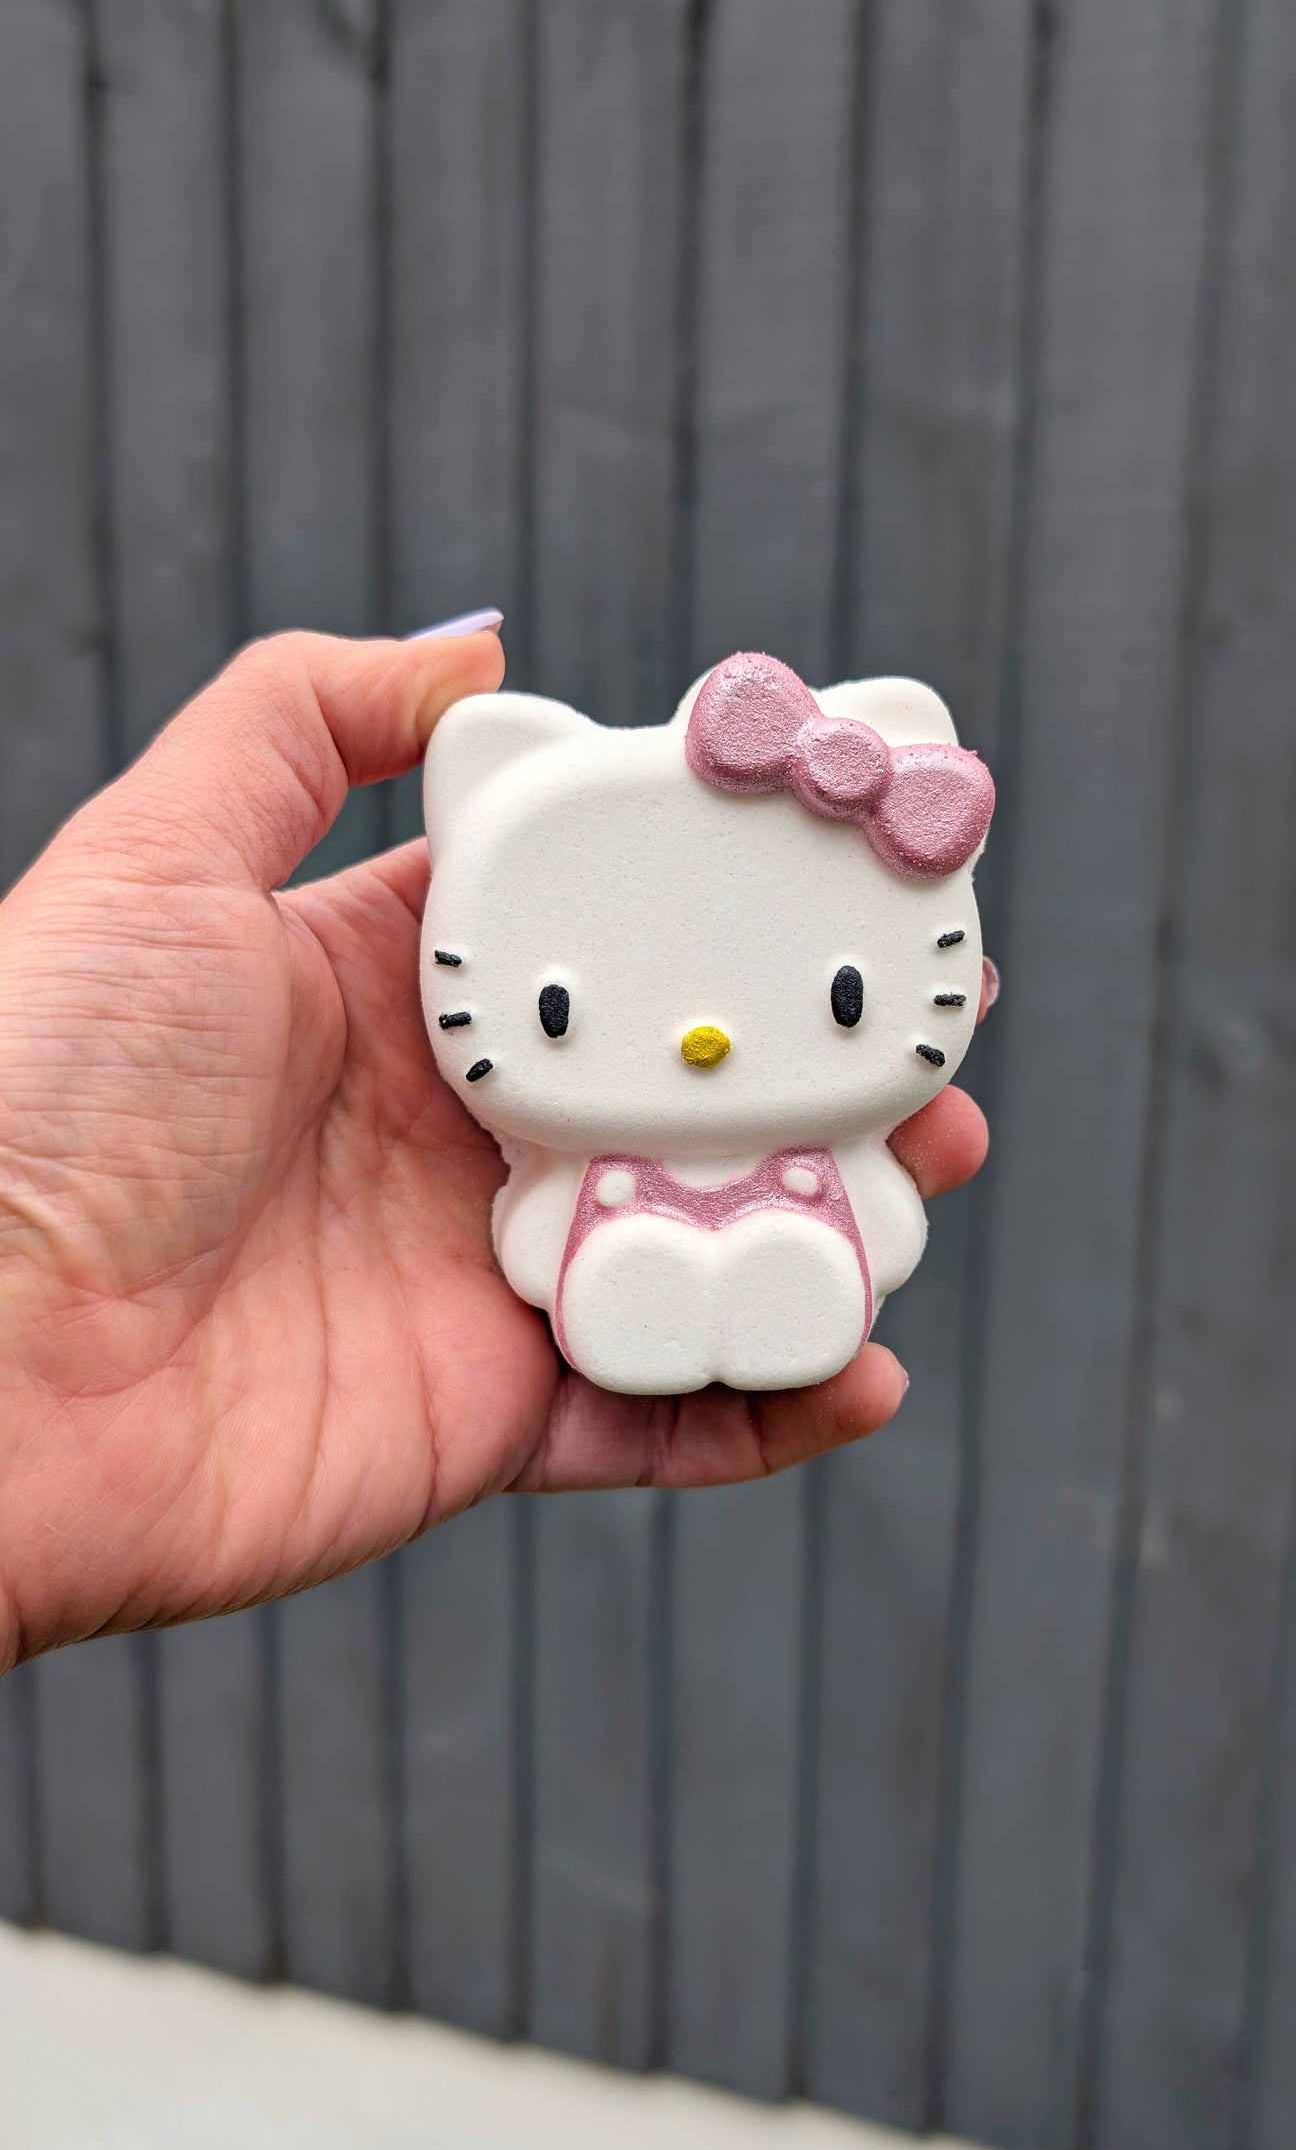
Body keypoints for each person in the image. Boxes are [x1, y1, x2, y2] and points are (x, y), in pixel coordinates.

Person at [0, 622, 988, 1671]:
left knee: (785, 1271)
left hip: (788, 1232)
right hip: (620, 1248)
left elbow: (874, 1219)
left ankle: (779, 1283)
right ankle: (650, 1287)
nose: (703, 1043)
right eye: (554, 1010)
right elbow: (547, 1238)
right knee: (630, 1271)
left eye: (847, 998)